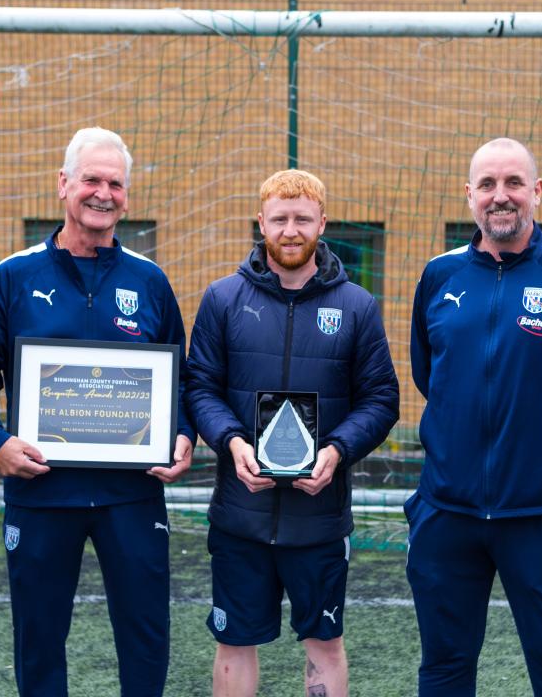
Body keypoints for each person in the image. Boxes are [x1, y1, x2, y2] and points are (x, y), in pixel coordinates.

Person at [0, 127, 195, 696]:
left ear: (127, 196)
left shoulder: (150, 281)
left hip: (132, 495)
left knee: (146, 637)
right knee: (38, 640)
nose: (102, 193)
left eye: (115, 183)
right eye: (91, 179)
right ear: (64, 185)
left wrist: (182, 436)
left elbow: (182, 380)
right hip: (41, 493)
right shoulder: (14, 276)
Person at [407, 137, 542, 696]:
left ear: (537, 192)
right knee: (444, 667)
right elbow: (430, 375)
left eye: (513, 183)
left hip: (541, 510)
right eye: (487, 185)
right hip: (446, 510)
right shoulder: (438, 275)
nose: (500, 197)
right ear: (469, 196)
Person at [186, 169, 399, 697]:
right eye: (279, 218)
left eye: (302, 218)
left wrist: (336, 450)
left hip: (319, 519)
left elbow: (382, 399)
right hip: (241, 514)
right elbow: (200, 389)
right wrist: (232, 442)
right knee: (234, 646)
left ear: (322, 223)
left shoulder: (357, 306)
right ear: (261, 222)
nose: (290, 230)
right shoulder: (222, 298)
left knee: (324, 646)